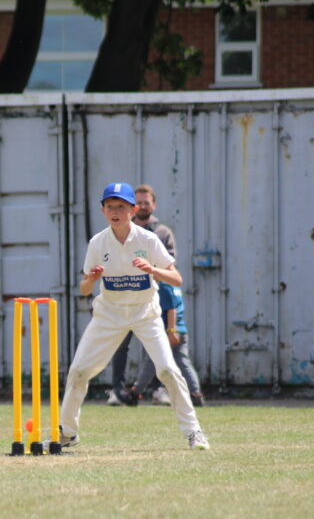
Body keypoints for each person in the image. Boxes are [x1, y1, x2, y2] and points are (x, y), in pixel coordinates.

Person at [58, 182, 209, 451]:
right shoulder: (97, 242)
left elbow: (177, 278)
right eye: (110, 207)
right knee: (78, 372)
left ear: (133, 210)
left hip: (145, 313)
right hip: (108, 314)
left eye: (121, 207)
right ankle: (67, 433)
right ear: (103, 210)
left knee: (168, 370)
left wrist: (153, 270)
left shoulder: (148, 240)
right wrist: (91, 279)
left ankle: (194, 432)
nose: (115, 212)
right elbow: (83, 289)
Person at [107, 184, 205, 407]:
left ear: (154, 205)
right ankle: (118, 390)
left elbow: (170, 269)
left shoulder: (161, 233)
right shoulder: (121, 230)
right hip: (126, 298)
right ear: (133, 206)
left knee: (159, 349)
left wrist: (149, 269)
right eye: (139, 202)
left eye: (146, 203)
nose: (142, 206)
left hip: (153, 299)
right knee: (120, 344)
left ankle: (161, 390)